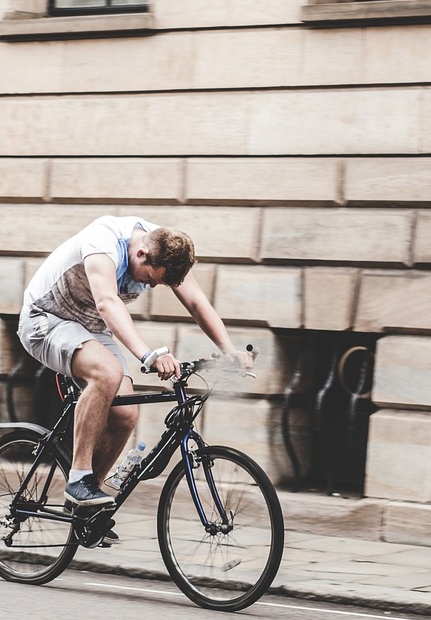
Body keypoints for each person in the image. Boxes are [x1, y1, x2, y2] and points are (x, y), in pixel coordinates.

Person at [17, 215, 254, 510]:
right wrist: (148, 354)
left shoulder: (168, 247)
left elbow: (196, 303)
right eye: (151, 279)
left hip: (91, 329)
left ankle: (87, 505)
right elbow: (107, 302)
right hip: (46, 320)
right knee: (107, 372)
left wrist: (228, 349)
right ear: (141, 254)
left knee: (126, 415)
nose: (150, 287)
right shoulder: (103, 240)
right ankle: (78, 478)